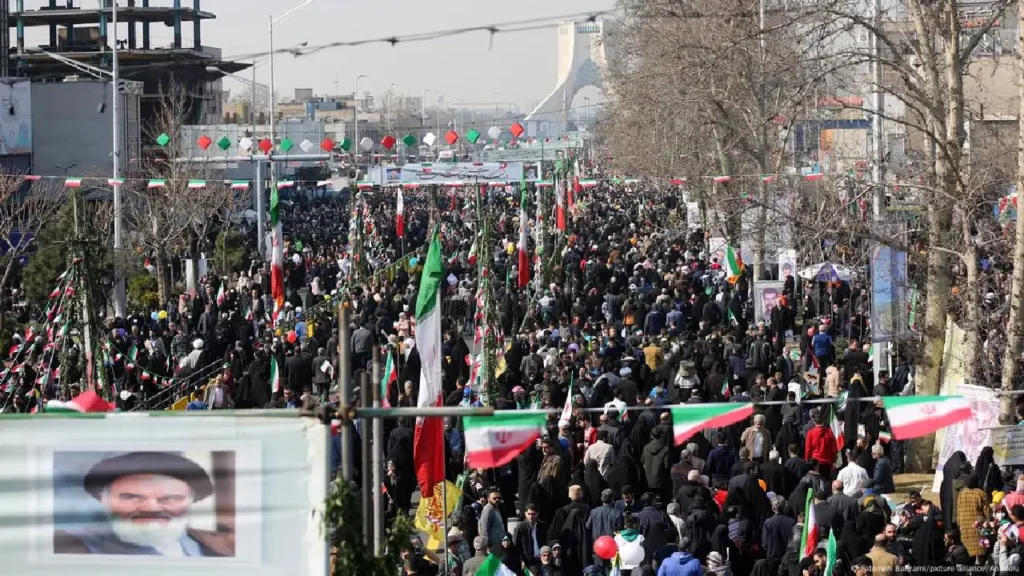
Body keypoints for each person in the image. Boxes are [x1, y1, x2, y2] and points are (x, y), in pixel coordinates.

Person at [54, 451, 233, 556]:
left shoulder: (217, 545)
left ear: (191, 500)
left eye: (170, 499)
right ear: (104, 499)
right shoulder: (72, 548)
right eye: (131, 497)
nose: (151, 509)